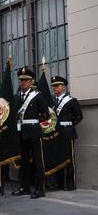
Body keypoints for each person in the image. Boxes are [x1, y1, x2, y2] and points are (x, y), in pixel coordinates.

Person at [12, 68, 50, 199]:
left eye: (25, 80)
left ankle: (40, 188)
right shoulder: (16, 97)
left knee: (38, 160)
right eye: (21, 80)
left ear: (31, 81)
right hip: (21, 132)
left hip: (34, 131)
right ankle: (25, 186)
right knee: (24, 161)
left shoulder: (38, 96)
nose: (22, 83)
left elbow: (46, 114)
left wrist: (34, 122)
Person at [49, 76, 83, 191]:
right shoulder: (53, 102)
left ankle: (70, 183)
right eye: (53, 86)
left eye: (57, 86)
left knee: (69, 158)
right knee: (58, 158)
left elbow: (79, 116)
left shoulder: (71, 100)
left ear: (63, 87)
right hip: (56, 133)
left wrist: (69, 125)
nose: (54, 88)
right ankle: (59, 183)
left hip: (67, 133)